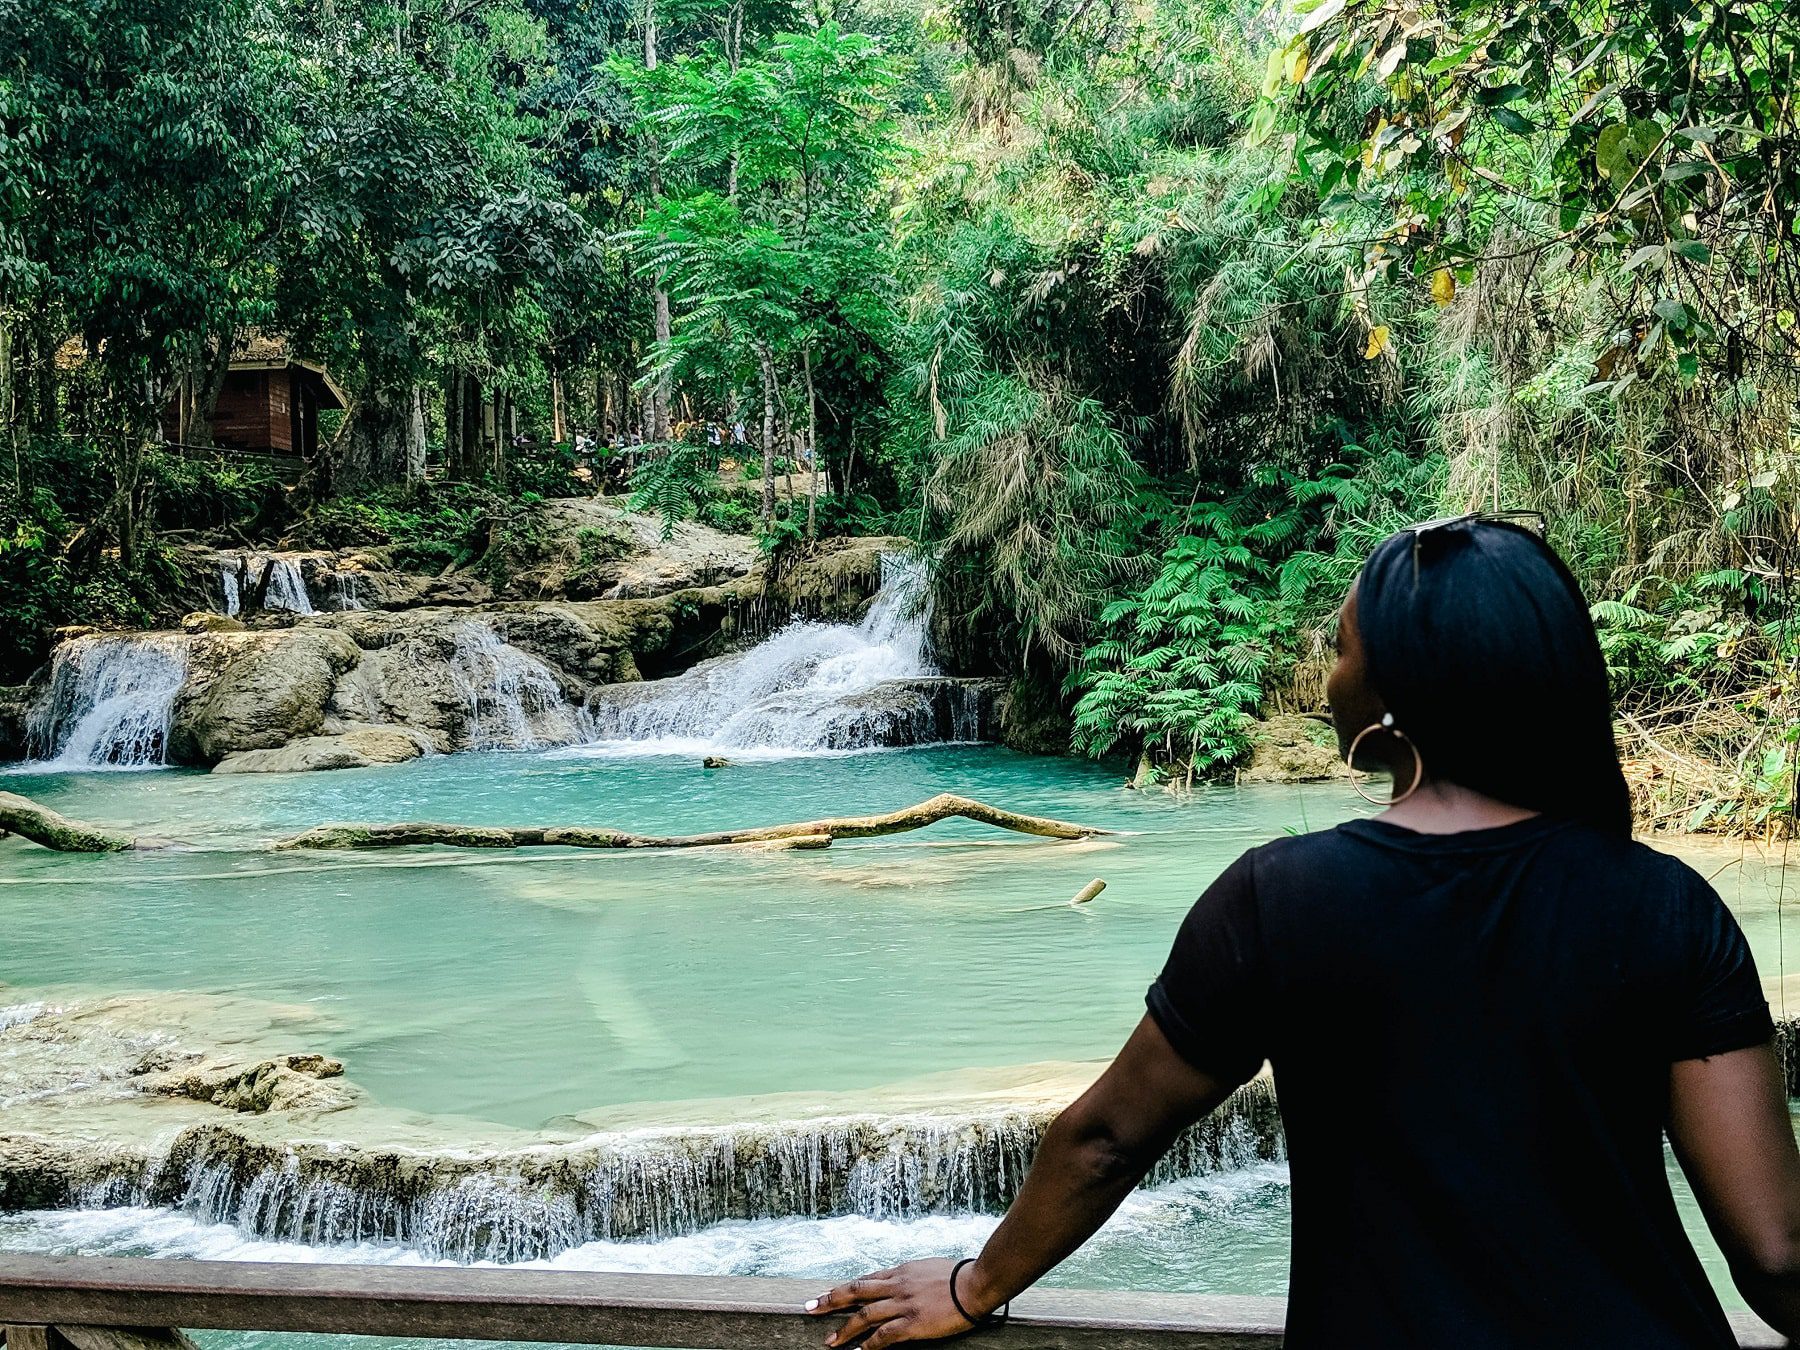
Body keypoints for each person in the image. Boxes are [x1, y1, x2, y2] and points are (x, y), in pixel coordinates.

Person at [809, 514, 1800, 1349]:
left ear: (1396, 696)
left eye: (1340, 650)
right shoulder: (1668, 906)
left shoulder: (1280, 900)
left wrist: (976, 1286)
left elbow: (1107, 1138)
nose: (1325, 679)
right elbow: (1773, 1250)